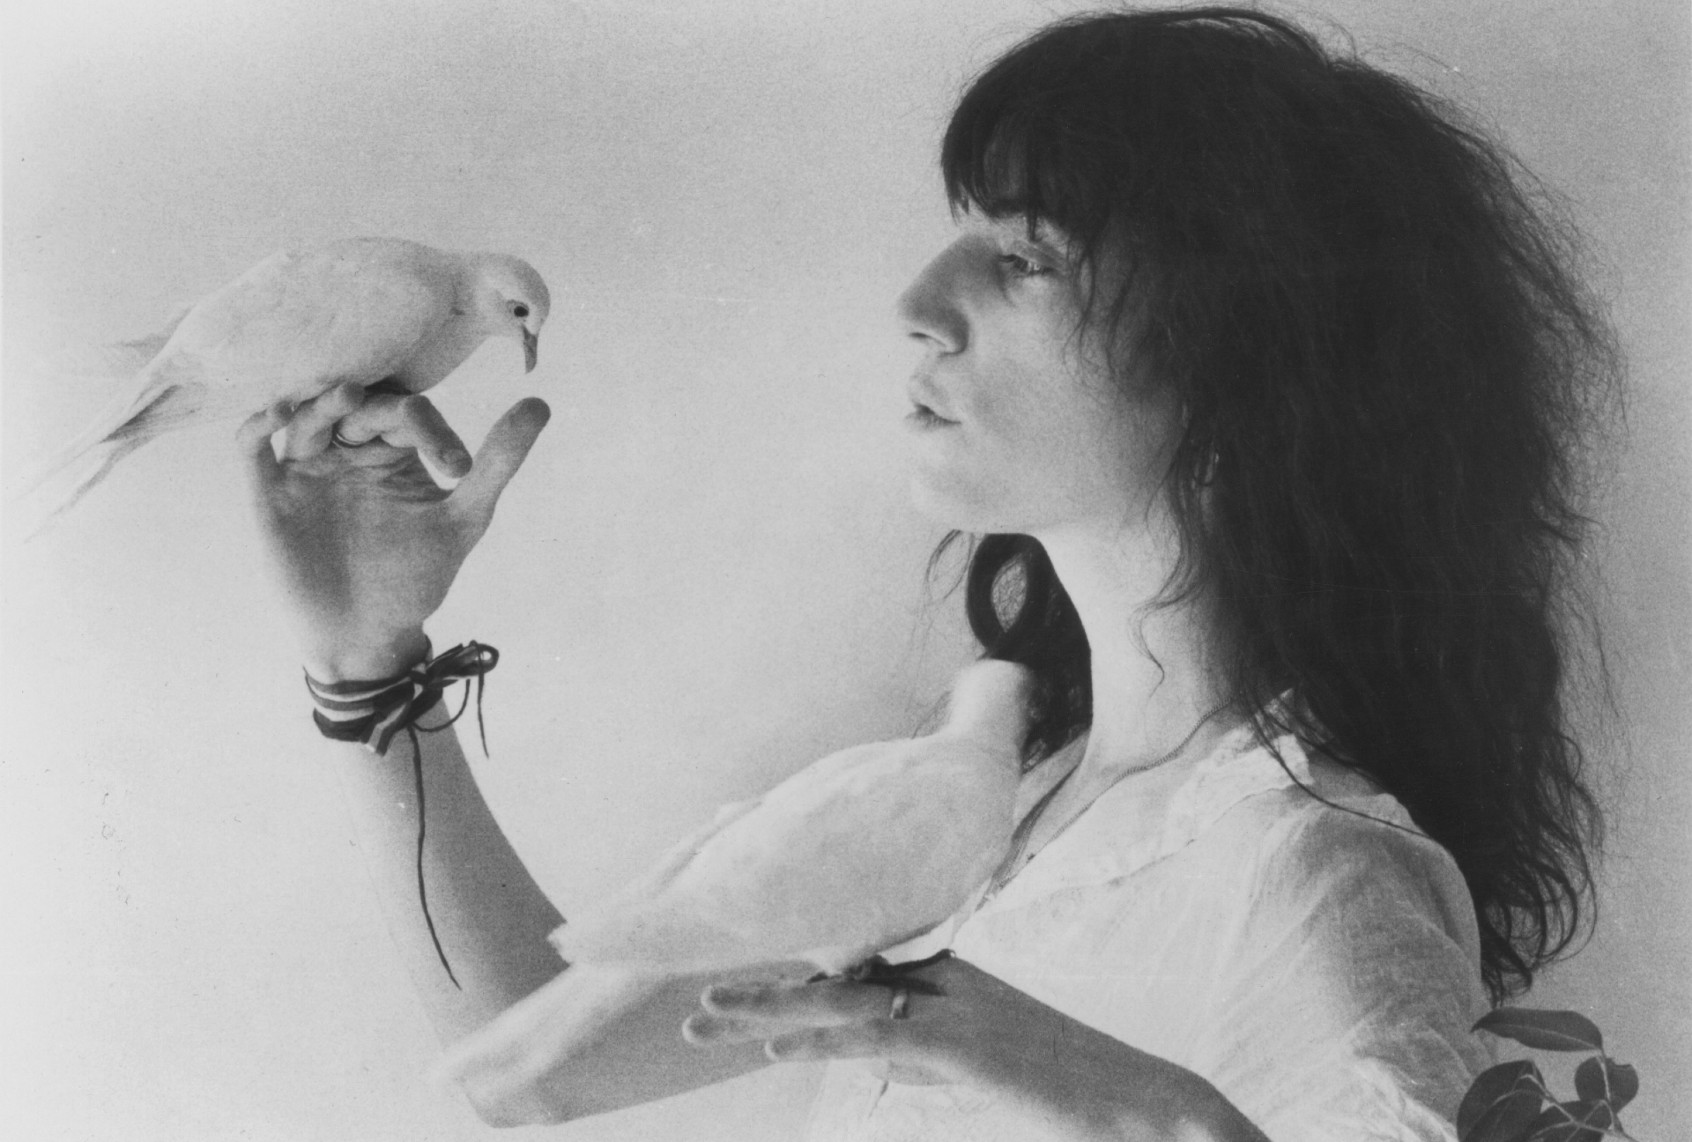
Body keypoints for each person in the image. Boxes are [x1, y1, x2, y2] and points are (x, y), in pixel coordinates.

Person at [238, 8, 1616, 1140]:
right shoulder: (987, 806)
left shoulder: (1316, 868)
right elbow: (526, 1059)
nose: (917, 306)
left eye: (1023, 256)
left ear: (1249, 367)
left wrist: (1148, 1110)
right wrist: (368, 663)